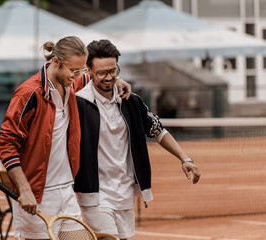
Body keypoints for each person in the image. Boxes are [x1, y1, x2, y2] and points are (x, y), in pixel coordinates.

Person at [0, 36, 131, 240]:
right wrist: (25, 189)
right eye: (73, 71)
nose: (78, 76)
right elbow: (6, 144)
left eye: (81, 70)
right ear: (56, 62)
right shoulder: (28, 93)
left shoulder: (72, 82)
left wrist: (117, 79)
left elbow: (94, 77)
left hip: (67, 192)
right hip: (37, 195)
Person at [74, 39, 201, 240]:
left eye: (113, 71)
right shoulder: (79, 103)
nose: (109, 77)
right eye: (101, 73)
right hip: (94, 193)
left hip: (125, 191)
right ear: (88, 70)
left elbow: (157, 130)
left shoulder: (131, 101)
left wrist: (185, 158)